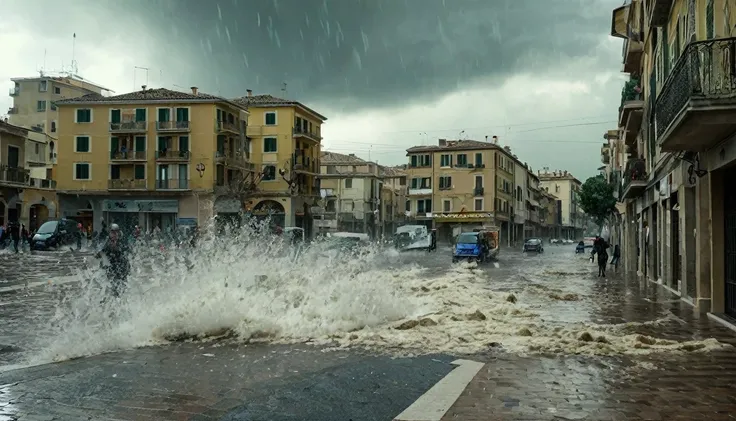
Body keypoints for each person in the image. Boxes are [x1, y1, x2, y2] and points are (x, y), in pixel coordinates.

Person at [95, 223, 130, 297]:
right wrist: (99, 254)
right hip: (112, 268)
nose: (114, 234)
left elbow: (127, 252)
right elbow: (102, 252)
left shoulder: (122, 241)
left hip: (121, 268)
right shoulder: (108, 242)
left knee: (122, 287)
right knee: (113, 287)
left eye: (116, 232)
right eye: (112, 232)